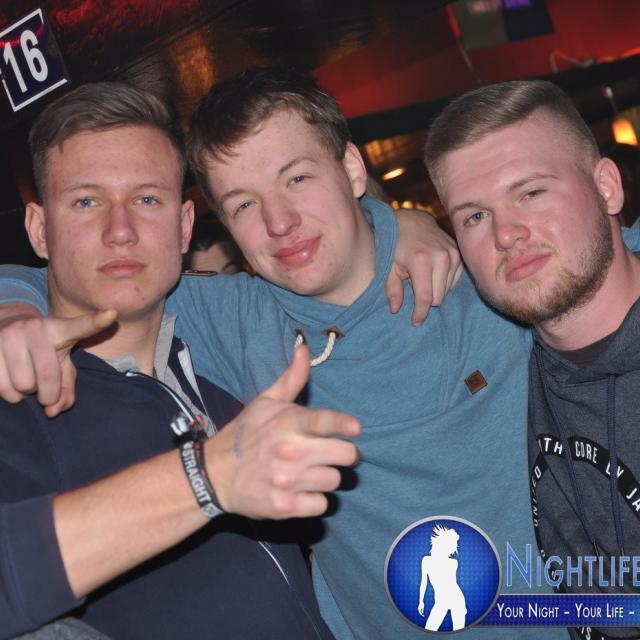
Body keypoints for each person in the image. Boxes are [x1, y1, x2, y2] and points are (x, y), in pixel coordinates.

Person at [0, 68, 564, 639]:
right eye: (244, 204)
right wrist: (15, 310)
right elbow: (83, 276)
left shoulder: (489, 286)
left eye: (297, 178)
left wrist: (404, 223)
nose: (280, 222)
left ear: (352, 169)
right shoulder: (237, 322)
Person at [0, 81, 365, 639]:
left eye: (147, 199)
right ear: (38, 230)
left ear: (185, 226)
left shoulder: (223, 370)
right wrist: (207, 475)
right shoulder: (16, 392)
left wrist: (402, 229)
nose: (120, 231)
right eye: (86, 202)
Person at [425, 79, 640, 640]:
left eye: (531, 192)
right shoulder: (495, 354)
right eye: (474, 216)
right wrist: (394, 226)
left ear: (607, 187)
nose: (506, 234)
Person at [417, 525, 466, 632]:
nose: (453, 549)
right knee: (429, 629)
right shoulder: (426, 560)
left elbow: (452, 584)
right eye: (452, 545)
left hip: (456, 599)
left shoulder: (453, 563)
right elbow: (423, 583)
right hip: (440, 601)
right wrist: (421, 601)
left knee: (459, 632)